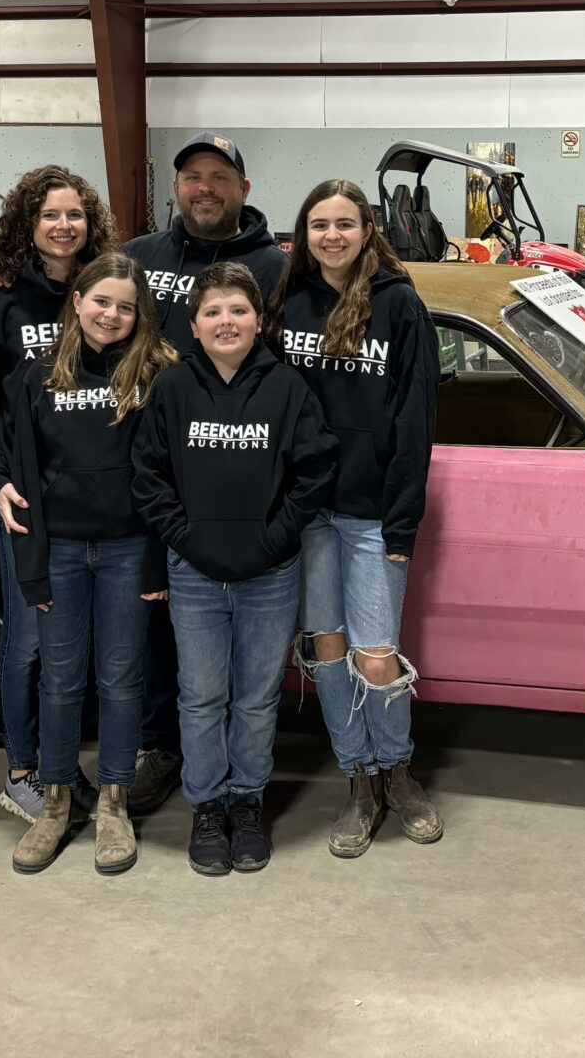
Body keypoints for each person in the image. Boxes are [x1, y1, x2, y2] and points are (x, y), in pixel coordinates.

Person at [131, 262, 334, 876]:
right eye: (213, 311)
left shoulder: (288, 388)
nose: (227, 321)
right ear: (193, 325)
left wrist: (274, 539)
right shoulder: (172, 389)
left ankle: (247, 801)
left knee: (254, 698)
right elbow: (149, 475)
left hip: (270, 573)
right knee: (200, 697)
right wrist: (186, 537)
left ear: (259, 320)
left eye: (238, 310)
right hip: (193, 572)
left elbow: (314, 471)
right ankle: (207, 806)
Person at [0, 251, 175, 876]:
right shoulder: (37, 373)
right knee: (60, 680)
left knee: (120, 679)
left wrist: (159, 561)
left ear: (139, 312)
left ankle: (113, 801)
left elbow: (175, 471)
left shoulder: (159, 374)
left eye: (125, 305)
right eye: (101, 301)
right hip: (57, 550)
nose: (112, 314)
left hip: (128, 550)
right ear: (77, 301)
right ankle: (57, 802)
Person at [269, 180, 443, 856]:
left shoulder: (400, 308)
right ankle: (358, 780)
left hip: (372, 517)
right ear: (304, 232)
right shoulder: (289, 304)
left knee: (376, 658)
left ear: (368, 230)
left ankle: (397, 767)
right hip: (310, 514)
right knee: (328, 652)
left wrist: (401, 526)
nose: (333, 236)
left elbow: (414, 424)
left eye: (345, 223)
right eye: (320, 224)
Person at [122, 133, 287, 820]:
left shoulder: (278, 268)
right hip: (145, 471)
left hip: (239, 476)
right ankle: (164, 748)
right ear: (177, 187)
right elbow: (84, 309)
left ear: (244, 189)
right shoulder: (139, 257)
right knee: (158, 624)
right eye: (193, 176)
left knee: (235, 657)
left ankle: (237, 781)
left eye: (220, 176)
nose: (206, 188)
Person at [0, 167, 115, 828]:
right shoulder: (0, 300)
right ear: (28, 224)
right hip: (23, 499)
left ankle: (61, 770)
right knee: (28, 638)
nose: (65, 226)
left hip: (88, 501)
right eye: (50, 215)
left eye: (76, 215)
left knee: (73, 648)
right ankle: (21, 772)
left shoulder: (104, 293)